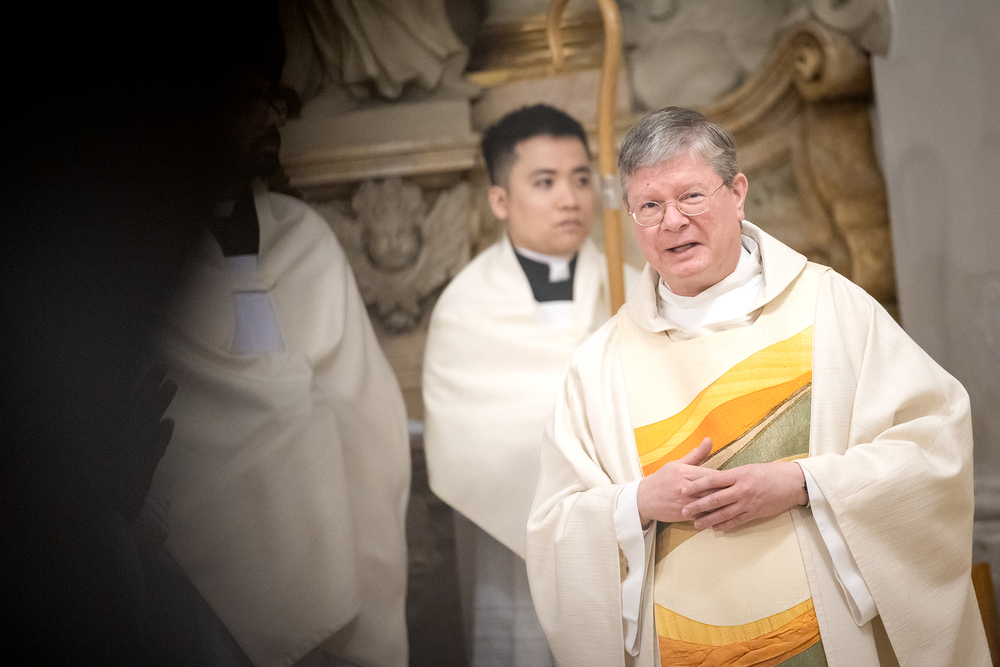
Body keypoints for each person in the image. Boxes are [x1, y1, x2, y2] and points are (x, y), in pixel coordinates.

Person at [524, 107, 991, 666]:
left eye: (691, 196)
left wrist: (801, 483)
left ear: (737, 194)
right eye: (650, 206)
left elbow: (935, 447)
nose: (672, 221)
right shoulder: (598, 366)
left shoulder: (830, 308)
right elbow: (552, 528)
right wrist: (639, 502)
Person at [147, 23, 410, 667]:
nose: (270, 117)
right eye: (246, 100)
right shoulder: (144, 254)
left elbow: (366, 417)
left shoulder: (306, 238)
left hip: (327, 549)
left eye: (273, 100)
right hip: (195, 570)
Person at [422, 104, 637, 666]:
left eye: (581, 179)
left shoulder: (633, 289)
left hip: (627, 533)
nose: (570, 198)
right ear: (499, 200)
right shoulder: (465, 309)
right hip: (511, 539)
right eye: (545, 182)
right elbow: (475, 445)